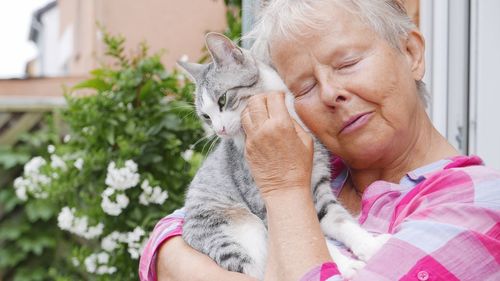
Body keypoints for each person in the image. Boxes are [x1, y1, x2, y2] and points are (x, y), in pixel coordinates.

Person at [139, 0, 500, 280]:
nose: (330, 93)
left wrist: (283, 187)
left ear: (412, 54)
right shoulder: (321, 166)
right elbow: (166, 243)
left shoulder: (477, 205)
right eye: (305, 86)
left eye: (347, 64)